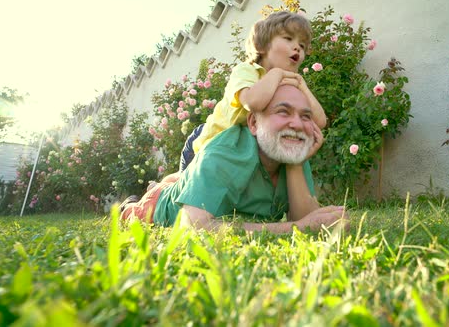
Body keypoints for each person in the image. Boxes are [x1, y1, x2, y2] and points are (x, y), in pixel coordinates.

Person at [121, 85, 346, 233]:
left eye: (305, 116)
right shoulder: (225, 152)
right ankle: (136, 200)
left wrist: (296, 163)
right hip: (157, 206)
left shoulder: (291, 154)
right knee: (132, 213)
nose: (297, 124)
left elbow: (307, 219)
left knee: (181, 179)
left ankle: (169, 182)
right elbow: (192, 227)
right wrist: (295, 227)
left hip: (191, 183)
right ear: (254, 124)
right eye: (283, 112)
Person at [186, 11, 327, 168]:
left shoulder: (289, 85)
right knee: (181, 185)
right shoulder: (247, 70)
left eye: (302, 45)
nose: (297, 48)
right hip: (208, 146)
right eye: (288, 38)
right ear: (261, 46)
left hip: (241, 152)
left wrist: (303, 86)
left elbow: (319, 122)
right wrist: (276, 73)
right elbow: (253, 102)